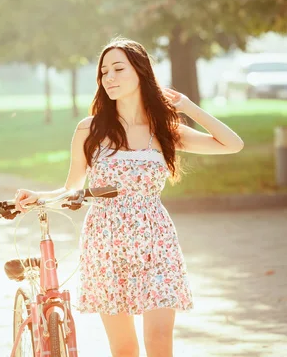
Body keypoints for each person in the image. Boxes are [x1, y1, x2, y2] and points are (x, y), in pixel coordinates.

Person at [14, 37, 244, 357]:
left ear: (140, 72)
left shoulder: (165, 128)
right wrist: (39, 196)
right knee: (124, 348)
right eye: (104, 72)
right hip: (106, 241)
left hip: (156, 239)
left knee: (160, 339)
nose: (109, 77)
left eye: (118, 68)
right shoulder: (90, 129)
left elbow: (232, 144)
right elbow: (73, 188)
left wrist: (187, 106)